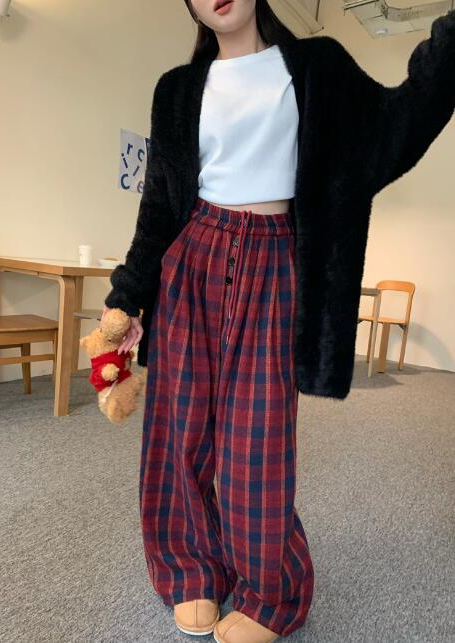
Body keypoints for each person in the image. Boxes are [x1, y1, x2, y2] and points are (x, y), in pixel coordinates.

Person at [101, 1, 455, 641]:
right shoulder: (176, 89)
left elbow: (395, 128)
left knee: (256, 441)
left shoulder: (317, 66)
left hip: (275, 262)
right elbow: (159, 203)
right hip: (192, 258)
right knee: (178, 431)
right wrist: (128, 293)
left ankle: (270, 591)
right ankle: (190, 569)